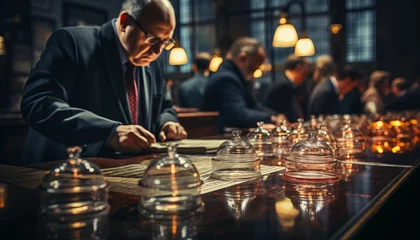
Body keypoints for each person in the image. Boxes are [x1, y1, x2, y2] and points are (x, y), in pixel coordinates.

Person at [20, 0, 187, 164]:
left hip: (127, 173)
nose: (158, 51)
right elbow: (38, 103)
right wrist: (109, 133)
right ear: (124, 23)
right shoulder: (72, 42)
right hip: (62, 171)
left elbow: (164, 107)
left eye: (166, 42)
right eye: (152, 39)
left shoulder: (154, 63)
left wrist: (168, 122)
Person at [201, 37, 284, 133]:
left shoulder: (234, 76)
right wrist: (271, 117)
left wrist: (274, 115)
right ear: (242, 58)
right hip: (219, 140)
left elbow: (253, 106)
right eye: (256, 64)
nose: (257, 69)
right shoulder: (225, 78)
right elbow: (237, 114)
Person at [264, 54, 311, 123]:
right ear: (298, 67)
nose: (309, 70)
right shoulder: (283, 85)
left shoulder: (291, 84)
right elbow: (288, 115)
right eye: (307, 67)